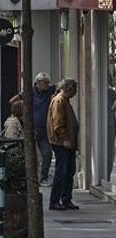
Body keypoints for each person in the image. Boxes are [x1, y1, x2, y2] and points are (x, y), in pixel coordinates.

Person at [48, 77, 80, 211]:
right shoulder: (59, 101)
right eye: (74, 90)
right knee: (62, 171)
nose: (76, 93)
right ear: (70, 89)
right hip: (62, 143)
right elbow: (58, 123)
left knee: (69, 170)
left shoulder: (64, 100)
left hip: (67, 142)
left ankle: (66, 199)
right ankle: (55, 200)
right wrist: (65, 138)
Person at [31, 72, 55, 183]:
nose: (47, 84)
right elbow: (13, 100)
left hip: (45, 130)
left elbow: (60, 85)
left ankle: (43, 176)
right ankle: (34, 178)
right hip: (33, 130)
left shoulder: (48, 91)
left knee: (47, 153)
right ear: (38, 83)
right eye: (45, 82)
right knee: (35, 156)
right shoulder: (30, 91)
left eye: (48, 82)